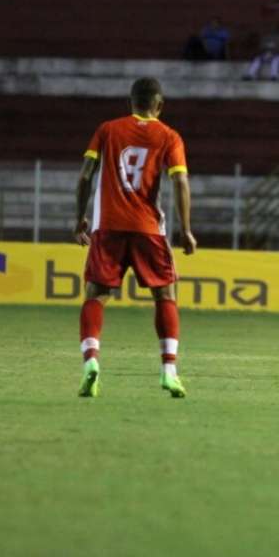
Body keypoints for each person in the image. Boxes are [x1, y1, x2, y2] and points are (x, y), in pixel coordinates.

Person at [74, 77, 197, 399]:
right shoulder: (170, 136)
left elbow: (85, 175)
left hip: (108, 227)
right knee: (165, 296)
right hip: (148, 229)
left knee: (95, 296)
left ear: (130, 102)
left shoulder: (107, 130)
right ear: (159, 105)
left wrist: (78, 221)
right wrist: (185, 229)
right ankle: (169, 370)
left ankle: (91, 362)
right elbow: (181, 182)